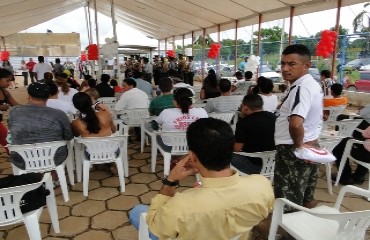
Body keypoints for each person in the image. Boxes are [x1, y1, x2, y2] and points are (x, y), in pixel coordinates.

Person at [129, 118, 274, 240]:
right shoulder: (262, 185)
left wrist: (171, 180)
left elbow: (155, 225)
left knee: (137, 211)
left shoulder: (180, 206)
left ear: (191, 156)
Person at [274, 44, 323, 209]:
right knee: (304, 192)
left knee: (288, 196)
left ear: (306, 65)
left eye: (291, 64)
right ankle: (304, 224)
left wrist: (299, 147)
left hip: (293, 147)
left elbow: (295, 124)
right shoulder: (311, 84)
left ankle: (288, 230)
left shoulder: (301, 88)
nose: (285, 68)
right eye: (283, 63)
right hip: (309, 142)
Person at [8, 82, 73, 170]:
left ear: (29, 95)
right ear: (49, 96)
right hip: (54, 158)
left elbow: (12, 132)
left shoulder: (14, 112)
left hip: (22, 160)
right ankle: (53, 177)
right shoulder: (59, 114)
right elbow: (68, 136)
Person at [231, 94, 276, 174]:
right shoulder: (274, 117)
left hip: (253, 165)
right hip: (273, 164)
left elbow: (237, 149)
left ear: (245, 107)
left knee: (225, 154)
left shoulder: (243, 123)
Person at [0, 69, 19, 154]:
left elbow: (16, 105)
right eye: (7, 80)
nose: (9, 83)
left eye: (10, 81)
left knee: (9, 144)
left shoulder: (5, 92)